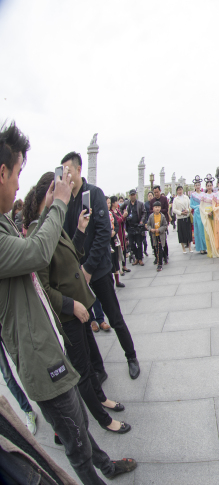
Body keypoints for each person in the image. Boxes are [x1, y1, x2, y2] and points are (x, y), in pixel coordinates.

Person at [0, 122, 136, 484]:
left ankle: (106, 466)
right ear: (2, 172)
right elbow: (37, 255)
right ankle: (100, 469)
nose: (17, 185)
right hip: (39, 355)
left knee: (76, 423)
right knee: (75, 440)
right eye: (16, 174)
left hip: (49, 345)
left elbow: (52, 254)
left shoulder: (7, 224)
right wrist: (59, 202)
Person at [25, 173, 130, 436]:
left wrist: (81, 230)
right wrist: (70, 305)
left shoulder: (51, 224)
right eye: (57, 190)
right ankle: (104, 419)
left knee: (92, 362)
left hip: (80, 308)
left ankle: (101, 398)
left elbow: (68, 257)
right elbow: (42, 287)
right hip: (69, 314)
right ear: (47, 194)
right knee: (82, 371)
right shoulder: (39, 231)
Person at [60, 152, 140, 380]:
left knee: (114, 317)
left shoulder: (94, 194)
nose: (65, 175)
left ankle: (131, 356)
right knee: (85, 322)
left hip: (99, 270)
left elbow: (103, 233)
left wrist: (88, 268)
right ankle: (98, 369)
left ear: (78, 170)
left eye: (68, 170)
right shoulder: (66, 201)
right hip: (77, 275)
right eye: (62, 171)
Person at [123, 189, 146, 266]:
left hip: (138, 226)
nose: (132, 196)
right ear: (129, 196)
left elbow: (144, 213)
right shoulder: (126, 204)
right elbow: (119, 209)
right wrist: (124, 214)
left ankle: (140, 259)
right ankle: (136, 257)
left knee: (139, 243)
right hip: (130, 227)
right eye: (131, 195)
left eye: (134, 195)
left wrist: (141, 221)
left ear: (135, 195)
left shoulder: (140, 204)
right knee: (132, 244)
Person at [105, 197, 125, 288]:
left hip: (114, 240)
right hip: (106, 240)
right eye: (107, 203)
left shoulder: (111, 214)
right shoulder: (101, 215)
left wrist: (114, 231)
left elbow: (116, 225)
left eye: (109, 203)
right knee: (109, 262)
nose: (108, 205)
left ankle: (117, 281)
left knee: (116, 259)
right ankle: (110, 283)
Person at [149, 185, 170, 264]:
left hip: (162, 221)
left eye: (157, 192)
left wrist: (159, 211)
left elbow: (166, 209)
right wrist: (155, 211)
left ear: (160, 191)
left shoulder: (164, 199)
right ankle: (157, 257)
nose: (156, 194)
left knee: (163, 240)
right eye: (154, 192)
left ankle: (165, 255)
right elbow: (150, 210)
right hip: (154, 222)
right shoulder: (152, 200)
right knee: (154, 242)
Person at [109, 196, 129, 278]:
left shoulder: (117, 210)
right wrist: (123, 216)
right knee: (118, 250)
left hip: (122, 231)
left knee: (124, 248)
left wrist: (124, 216)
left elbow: (122, 220)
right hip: (118, 233)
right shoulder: (111, 213)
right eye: (117, 201)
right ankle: (119, 268)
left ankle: (124, 266)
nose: (118, 203)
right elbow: (117, 221)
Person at [172, 185, 193, 254]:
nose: (180, 191)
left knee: (188, 232)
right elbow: (174, 209)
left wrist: (187, 210)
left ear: (182, 190)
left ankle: (190, 246)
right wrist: (180, 213)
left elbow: (190, 206)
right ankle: (183, 248)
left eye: (181, 189)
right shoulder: (175, 199)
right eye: (178, 190)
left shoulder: (186, 197)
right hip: (180, 218)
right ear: (177, 191)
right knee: (181, 233)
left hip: (186, 217)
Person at [146, 201, 167, 271]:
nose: (157, 208)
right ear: (153, 208)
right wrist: (150, 229)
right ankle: (165, 256)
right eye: (156, 207)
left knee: (160, 249)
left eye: (158, 207)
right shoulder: (151, 216)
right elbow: (148, 225)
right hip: (154, 235)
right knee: (156, 248)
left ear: (160, 208)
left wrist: (160, 229)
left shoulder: (162, 216)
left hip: (161, 235)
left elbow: (165, 225)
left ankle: (160, 264)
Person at [190, 176, 207, 254]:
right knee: (199, 230)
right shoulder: (193, 195)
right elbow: (191, 205)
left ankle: (206, 247)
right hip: (197, 214)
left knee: (204, 230)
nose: (197, 186)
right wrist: (198, 207)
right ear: (194, 186)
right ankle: (200, 247)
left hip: (203, 213)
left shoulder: (203, 194)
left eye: (198, 185)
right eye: (196, 185)